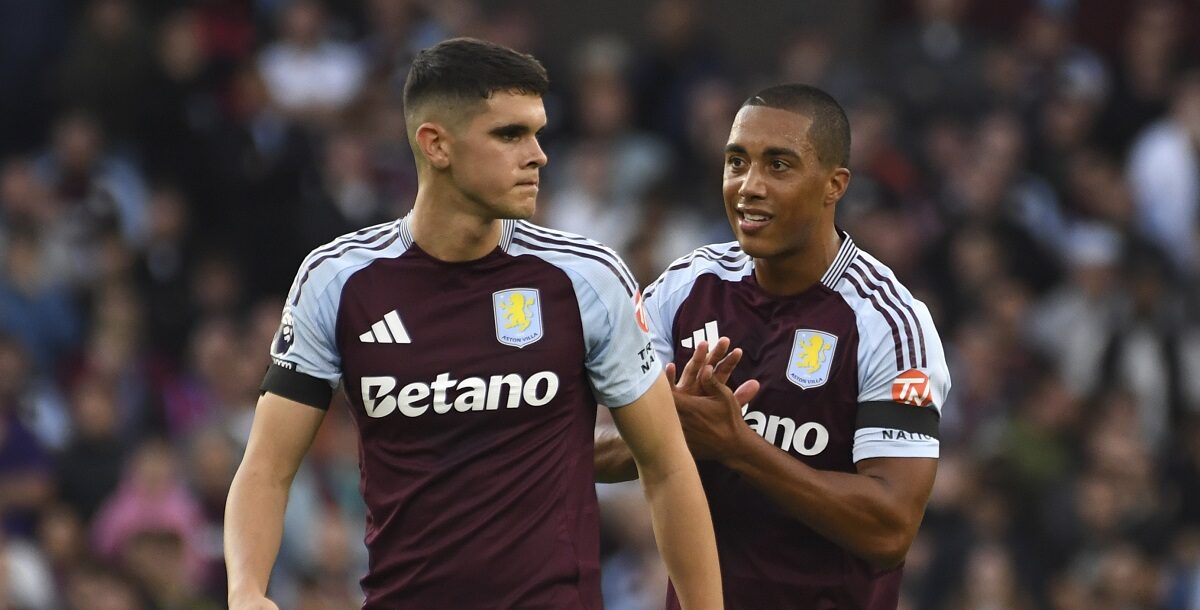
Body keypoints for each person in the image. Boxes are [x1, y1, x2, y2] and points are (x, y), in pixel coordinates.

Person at [224, 38, 723, 610]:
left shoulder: (586, 277)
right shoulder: (337, 282)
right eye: (510, 134)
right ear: (435, 144)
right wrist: (245, 590)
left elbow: (665, 465)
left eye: (538, 133)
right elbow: (265, 468)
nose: (538, 155)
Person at [595, 84, 951, 609]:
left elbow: (889, 527)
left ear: (835, 185)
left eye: (778, 166)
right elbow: (590, 444)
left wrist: (738, 445)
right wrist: (669, 431)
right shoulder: (684, 288)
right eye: (737, 162)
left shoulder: (889, 322)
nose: (748, 186)